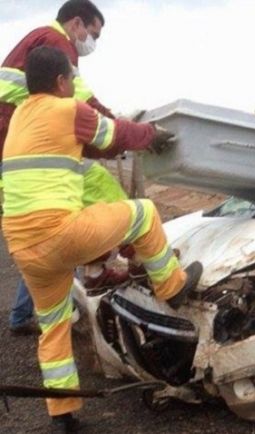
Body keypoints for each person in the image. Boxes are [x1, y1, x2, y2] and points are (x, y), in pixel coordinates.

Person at [2, 46, 203, 433]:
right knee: (143, 212)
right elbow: (116, 136)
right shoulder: (68, 110)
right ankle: (172, 285)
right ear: (62, 81)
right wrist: (151, 135)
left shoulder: (21, 120)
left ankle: (62, 413)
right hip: (60, 234)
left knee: (54, 324)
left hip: (23, 245)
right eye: (71, 80)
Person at [0, 0, 128, 335]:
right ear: (76, 24)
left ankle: (27, 313)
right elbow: (80, 103)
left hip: (16, 144)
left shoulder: (39, 39)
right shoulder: (58, 45)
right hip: (20, 145)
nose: (92, 43)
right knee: (93, 192)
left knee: (46, 233)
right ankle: (109, 263)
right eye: (93, 33)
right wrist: (118, 130)